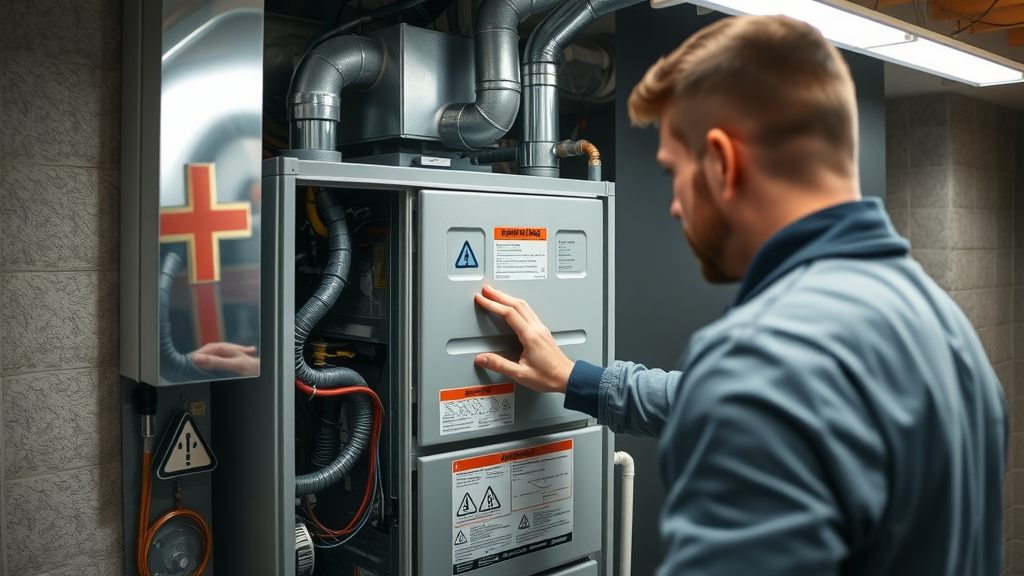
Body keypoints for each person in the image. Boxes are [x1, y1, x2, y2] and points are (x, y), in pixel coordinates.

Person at [473, 14, 1007, 576]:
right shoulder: (951, 336)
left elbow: (749, 401)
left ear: (724, 163)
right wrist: (573, 377)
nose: (676, 207)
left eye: (674, 173)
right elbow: (716, 403)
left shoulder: (762, 356)